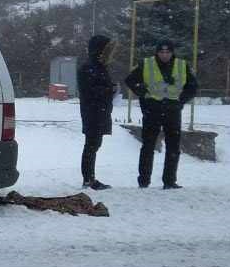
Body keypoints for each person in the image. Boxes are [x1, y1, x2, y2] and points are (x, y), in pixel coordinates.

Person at [124, 40, 198, 189]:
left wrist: (181, 101)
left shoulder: (181, 65)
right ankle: (144, 181)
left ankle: (169, 181)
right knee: (148, 145)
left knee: (173, 147)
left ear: (172, 52)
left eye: (168, 52)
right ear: (157, 52)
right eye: (162, 52)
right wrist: (144, 95)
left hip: (172, 109)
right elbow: (130, 80)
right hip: (153, 109)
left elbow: (193, 86)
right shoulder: (146, 64)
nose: (165, 55)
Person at [77, 34, 117, 190]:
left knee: (94, 144)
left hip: (99, 111)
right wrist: (109, 89)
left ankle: (89, 178)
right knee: (91, 145)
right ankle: (88, 179)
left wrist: (109, 89)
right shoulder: (88, 68)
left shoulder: (99, 67)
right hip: (93, 112)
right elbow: (90, 90)